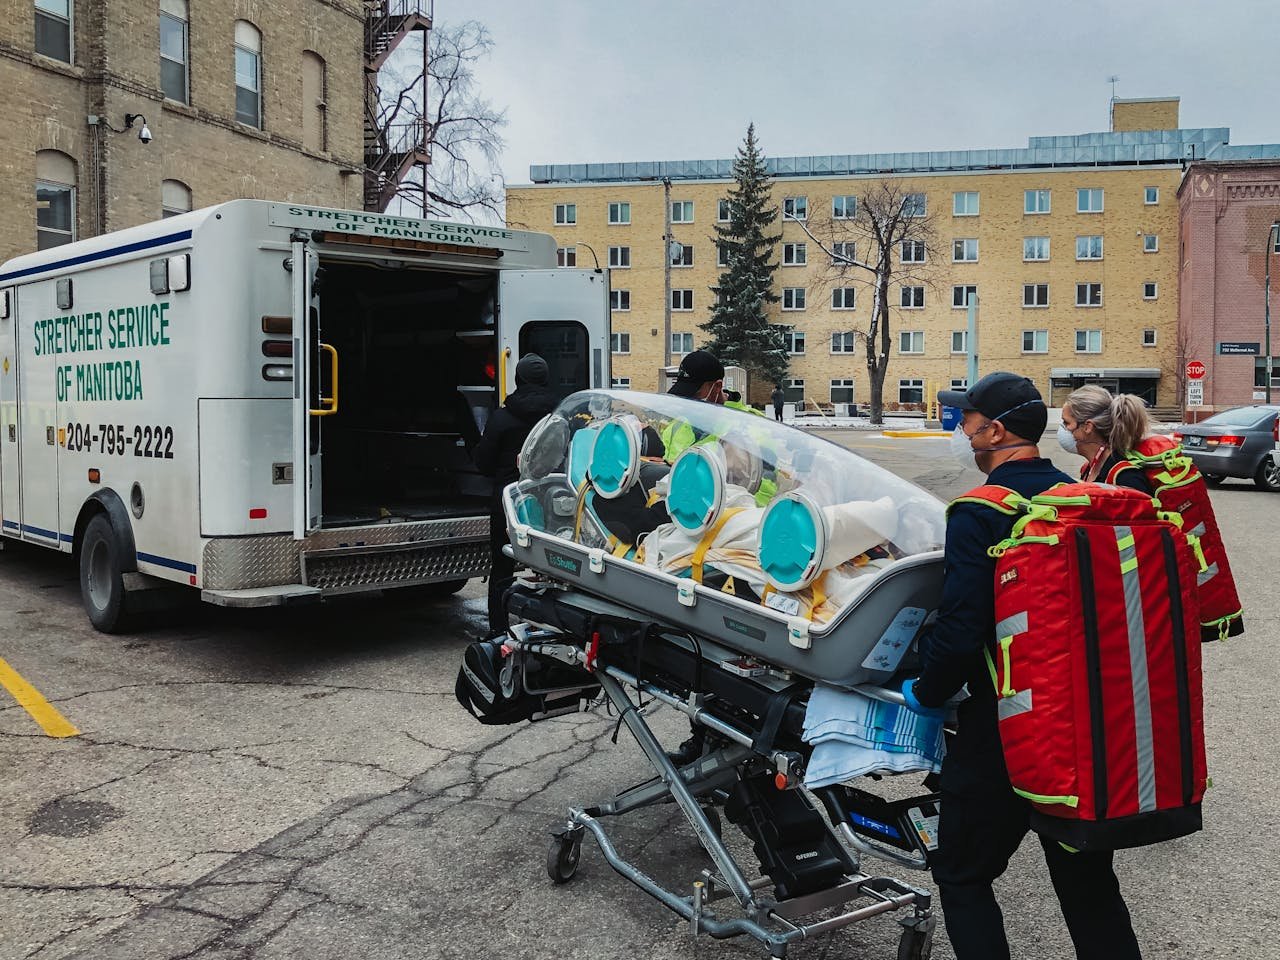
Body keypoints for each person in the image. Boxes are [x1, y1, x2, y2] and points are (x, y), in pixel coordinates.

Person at [902, 372, 1142, 960]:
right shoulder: (1076, 497)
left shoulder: (979, 513)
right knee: (1085, 875)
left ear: (995, 430)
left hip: (1006, 731)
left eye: (966, 420)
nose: (962, 431)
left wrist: (925, 691)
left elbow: (960, 631)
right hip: (1085, 728)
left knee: (961, 872)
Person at [473, 354, 559, 635]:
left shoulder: (502, 418)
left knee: (502, 568)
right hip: (551, 504)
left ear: (517, 380)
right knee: (554, 571)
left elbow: (483, 463)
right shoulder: (558, 417)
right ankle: (550, 627)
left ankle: (499, 632)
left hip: (509, 504)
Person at [1059, 385, 1153, 493]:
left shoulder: (1126, 478)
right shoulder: (1089, 468)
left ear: (1087, 427)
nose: (1063, 428)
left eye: (1067, 422)